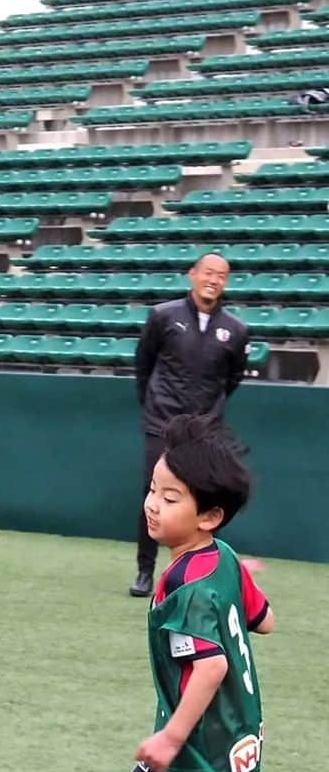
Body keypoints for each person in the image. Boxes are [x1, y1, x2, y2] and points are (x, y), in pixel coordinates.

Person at [103, 415, 328, 772]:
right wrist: (239, 586)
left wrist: (169, 737)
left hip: (210, 744)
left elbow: (211, 669)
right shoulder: (220, 558)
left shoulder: (190, 583)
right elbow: (266, 621)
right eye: (153, 490)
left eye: (170, 497)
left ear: (209, 515)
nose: (153, 504)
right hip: (204, 733)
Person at [130, 253, 251, 598]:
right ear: (193, 275)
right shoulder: (163, 316)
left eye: (221, 275)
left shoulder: (236, 330)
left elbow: (232, 379)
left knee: (206, 498)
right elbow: (144, 365)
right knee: (155, 496)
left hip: (205, 429)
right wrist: (154, 405)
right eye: (208, 273)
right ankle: (144, 571)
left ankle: (205, 572)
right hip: (161, 422)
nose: (213, 280)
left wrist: (208, 414)